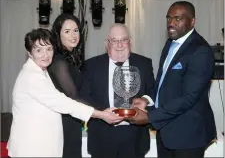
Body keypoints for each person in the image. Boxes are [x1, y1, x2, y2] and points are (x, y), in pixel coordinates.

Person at [7, 28, 123, 157]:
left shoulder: (41, 71)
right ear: (29, 53)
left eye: (49, 49)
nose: (45, 55)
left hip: (40, 145)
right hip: (32, 148)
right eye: (38, 50)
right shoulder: (32, 76)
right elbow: (62, 102)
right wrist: (101, 114)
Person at [128, 1, 217, 158]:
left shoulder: (200, 51)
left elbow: (188, 98)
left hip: (189, 135)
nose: (171, 23)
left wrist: (149, 116)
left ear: (192, 21)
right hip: (166, 131)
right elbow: (162, 83)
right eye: (169, 18)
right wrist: (147, 99)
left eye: (178, 18)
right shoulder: (170, 44)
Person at [80, 24, 155, 158]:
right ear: (106, 43)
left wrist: (145, 100)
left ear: (130, 42)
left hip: (135, 137)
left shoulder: (144, 63)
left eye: (124, 40)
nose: (119, 45)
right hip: (102, 137)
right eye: (114, 40)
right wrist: (102, 114)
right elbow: (84, 96)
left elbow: (154, 91)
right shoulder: (91, 65)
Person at [48, 13, 85, 158]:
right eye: (67, 31)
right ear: (58, 34)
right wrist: (102, 111)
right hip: (63, 122)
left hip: (71, 118)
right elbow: (73, 96)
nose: (73, 35)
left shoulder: (71, 57)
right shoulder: (58, 60)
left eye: (76, 30)